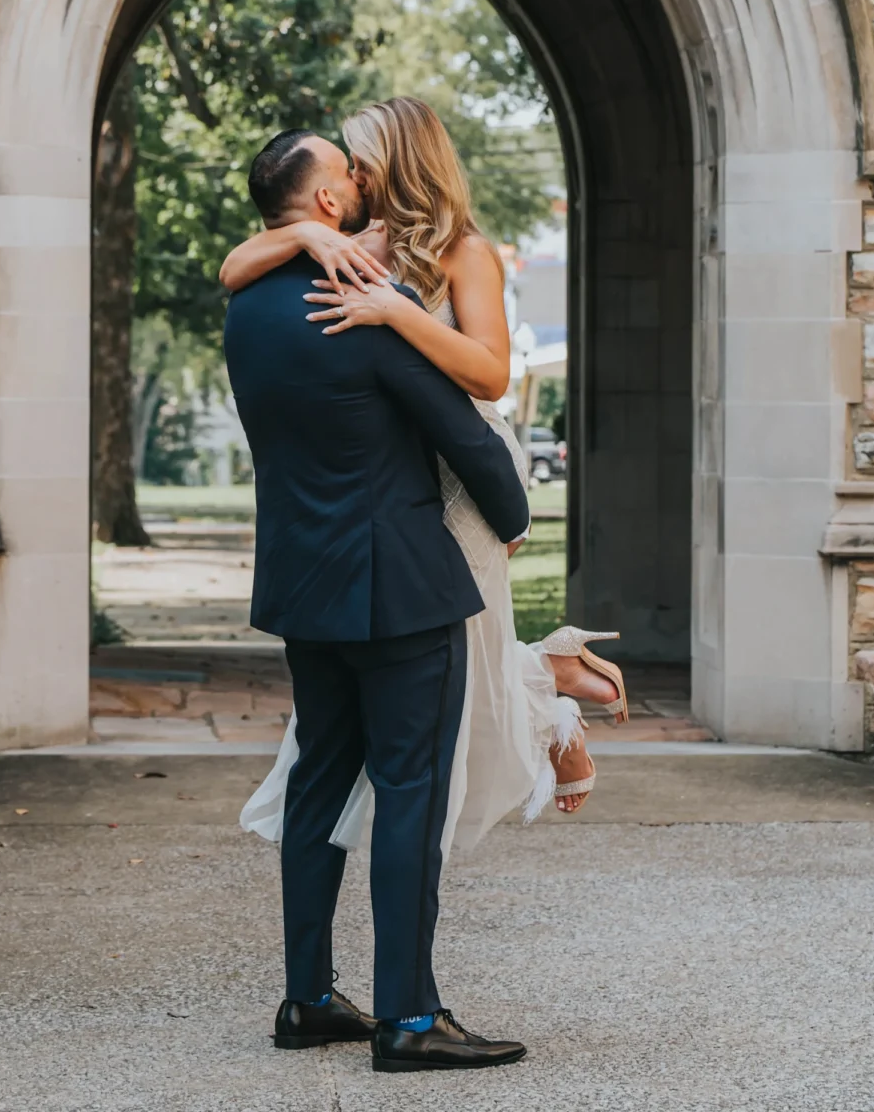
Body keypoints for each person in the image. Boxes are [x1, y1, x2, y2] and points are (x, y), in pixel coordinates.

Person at [223, 99, 628, 830]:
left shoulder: (464, 251)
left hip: (464, 468)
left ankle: (547, 704)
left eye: (360, 160)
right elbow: (234, 268)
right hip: (392, 469)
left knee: (462, 663)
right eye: (345, 165)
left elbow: (491, 376)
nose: (352, 175)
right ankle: (550, 681)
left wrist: (398, 313)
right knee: (435, 675)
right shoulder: (347, 239)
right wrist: (310, 231)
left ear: (396, 163)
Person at [223, 128, 532, 1072]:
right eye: (344, 175)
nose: (359, 184)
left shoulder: (244, 309)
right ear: (323, 205)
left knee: (320, 783)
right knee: (409, 796)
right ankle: (406, 1017)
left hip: (300, 583)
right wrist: (511, 514)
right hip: (399, 587)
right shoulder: (365, 302)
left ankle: (308, 998)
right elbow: (464, 432)